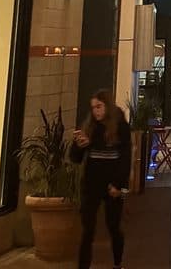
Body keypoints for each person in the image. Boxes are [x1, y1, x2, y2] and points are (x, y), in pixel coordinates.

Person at [70, 89, 131, 269]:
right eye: (93, 107)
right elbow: (75, 158)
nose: (96, 111)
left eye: (99, 106)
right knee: (87, 230)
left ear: (107, 106)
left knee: (113, 226)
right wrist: (79, 146)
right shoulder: (90, 126)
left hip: (111, 183)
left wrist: (119, 184)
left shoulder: (120, 126)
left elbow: (125, 157)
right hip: (91, 184)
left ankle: (117, 263)